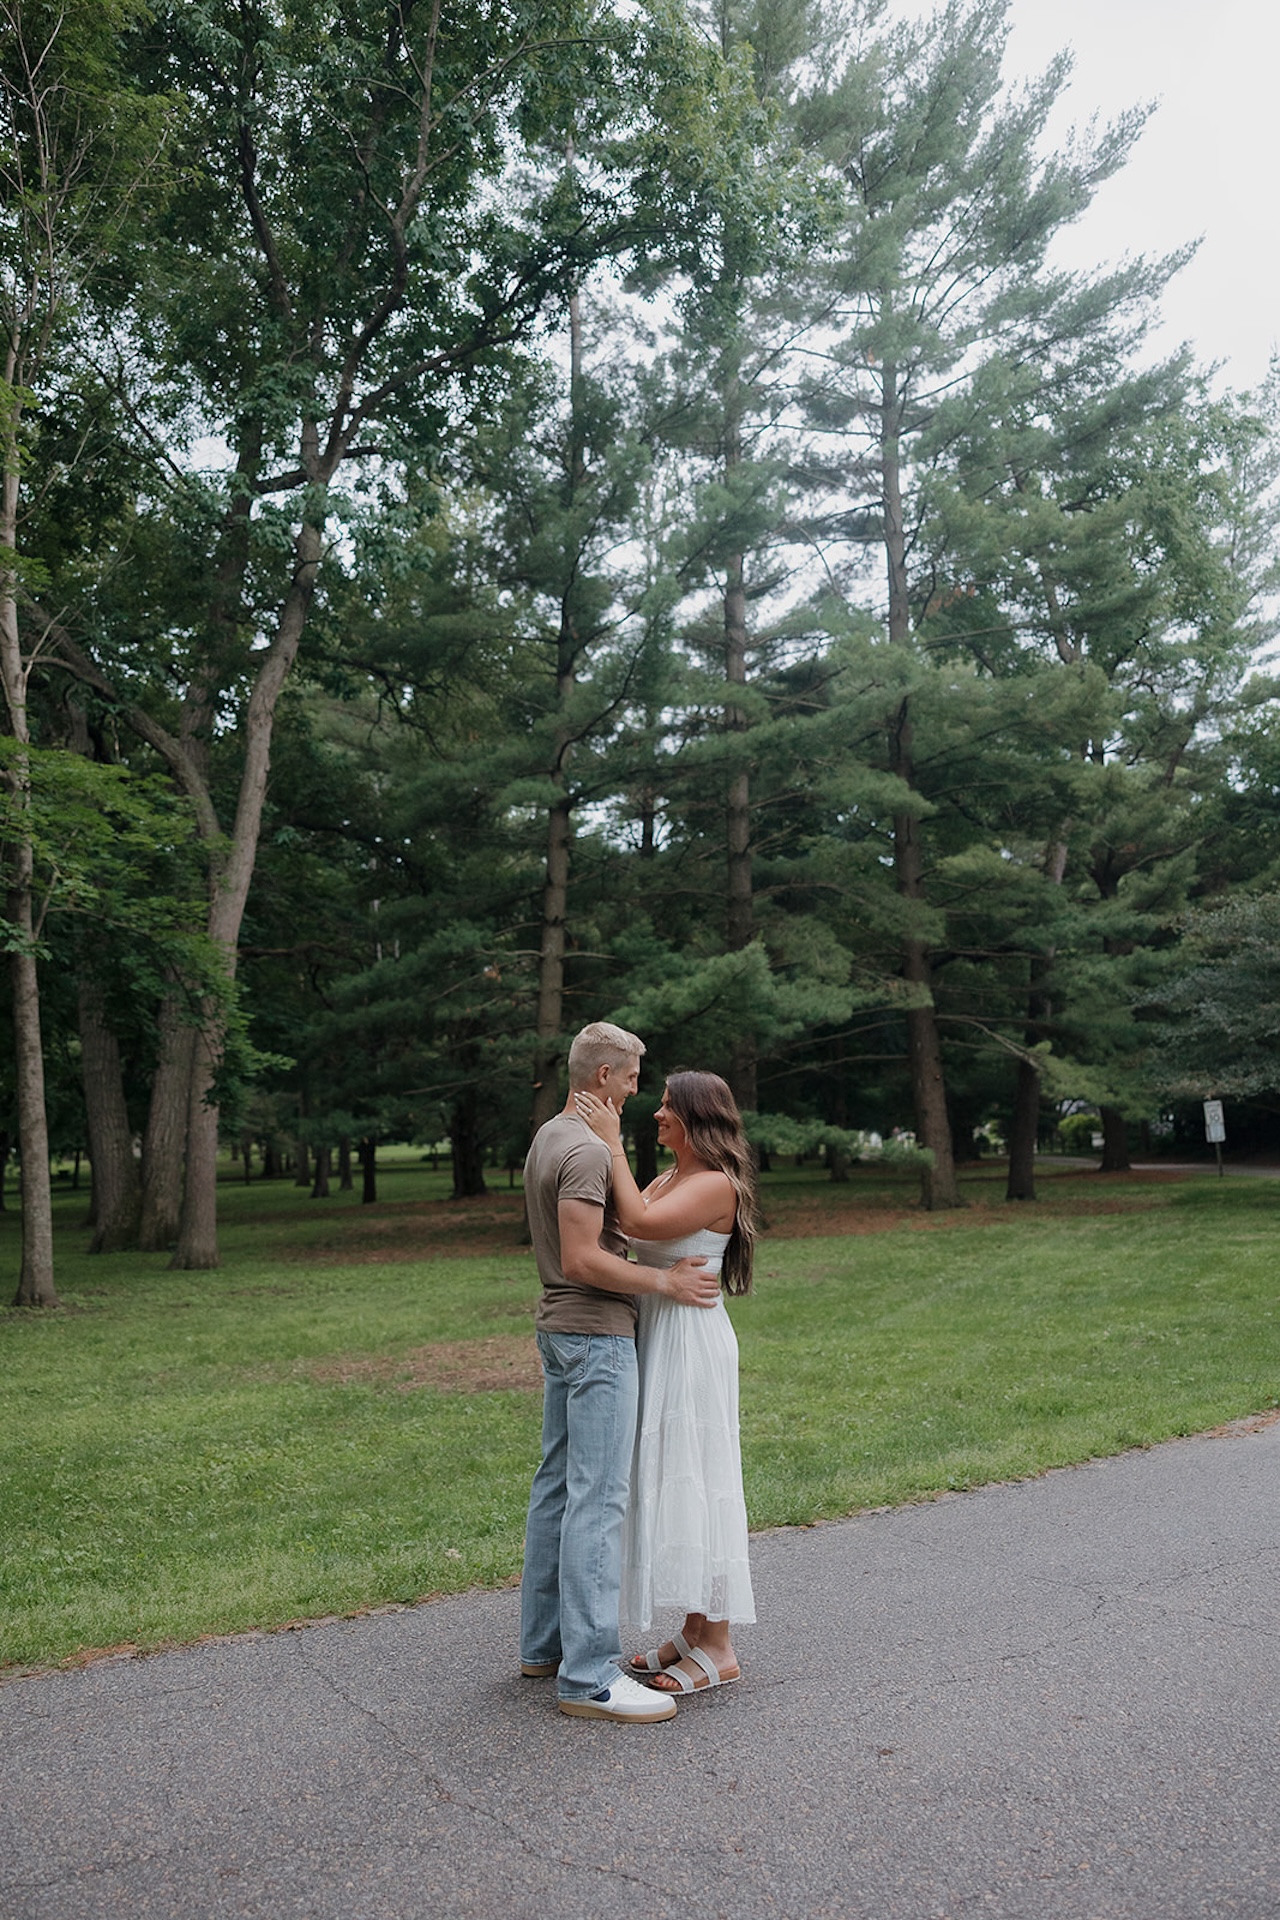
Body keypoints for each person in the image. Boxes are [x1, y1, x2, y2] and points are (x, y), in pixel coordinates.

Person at [520, 1022, 722, 1723]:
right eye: (632, 1077)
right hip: (596, 1335)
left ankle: (543, 1647)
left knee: (556, 1490)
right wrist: (663, 1286)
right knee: (597, 1504)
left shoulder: (550, 1133)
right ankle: (588, 1678)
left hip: (560, 1332)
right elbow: (582, 1259)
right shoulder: (583, 1149)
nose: (638, 1090)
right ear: (602, 1076)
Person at [574, 1069, 758, 1695]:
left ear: (696, 1118)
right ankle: (695, 1629)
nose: (655, 1113)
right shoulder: (670, 1177)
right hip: (658, 1330)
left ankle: (722, 1645)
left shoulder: (713, 1184)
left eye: (666, 1106)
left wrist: (610, 1142)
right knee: (672, 1477)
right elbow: (629, 1227)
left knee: (699, 1476)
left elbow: (641, 1225)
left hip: (690, 1340)